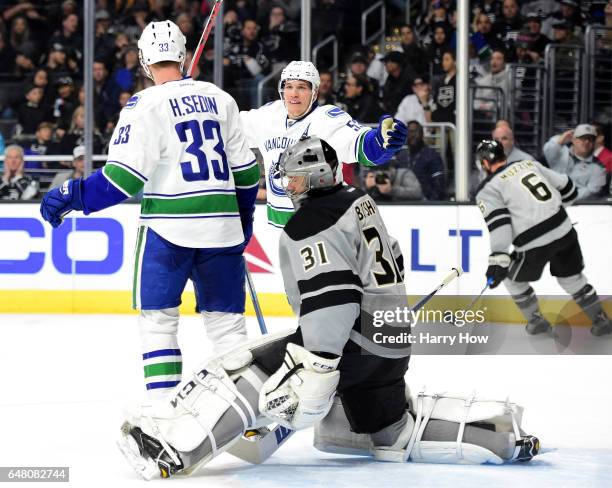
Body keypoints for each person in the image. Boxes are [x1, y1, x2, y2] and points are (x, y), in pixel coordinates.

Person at [117, 136, 540, 479]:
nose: (287, 186)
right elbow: (392, 258)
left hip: (353, 340)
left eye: (295, 180)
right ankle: (498, 436)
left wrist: (317, 365)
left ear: (315, 176)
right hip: (392, 339)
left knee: (247, 370)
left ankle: (173, 449)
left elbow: (332, 297)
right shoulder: (358, 199)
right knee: (393, 434)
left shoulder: (309, 223)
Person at [39, 20, 259, 400]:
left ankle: (164, 410)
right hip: (222, 229)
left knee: (159, 322)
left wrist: (70, 194)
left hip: (167, 231)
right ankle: (246, 410)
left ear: (143, 62)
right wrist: (241, 223)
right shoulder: (221, 99)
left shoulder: (144, 105)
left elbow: (121, 181)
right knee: (227, 327)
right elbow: (248, 172)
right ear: (183, 54)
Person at [239, 60, 408, 227]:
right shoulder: (268, 115)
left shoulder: (327, 120)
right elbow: (229, 127)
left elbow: (362, 147)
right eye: (289, 86)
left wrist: (380, 143)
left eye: (301, 87)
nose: (294, 94)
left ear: (315, 91)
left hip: (323, 227)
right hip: (279, 228)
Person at [475, 139, 612, 336]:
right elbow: (568, 188)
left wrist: (498, 259)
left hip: (533, 242)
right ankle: (600, 319)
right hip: (564, 229)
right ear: (503, 156)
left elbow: (500, 225)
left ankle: (536, 319)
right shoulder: (528, 164)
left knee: (511, 279)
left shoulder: (487, 190)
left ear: (485, 163)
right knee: (571, 278)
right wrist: (550, 212)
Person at [542, 124, 607, 201]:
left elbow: (592, 191)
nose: (586, 142)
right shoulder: (560, 153)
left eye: (590, 139)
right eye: (583, 138)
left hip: (577, 206)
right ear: (574, 140)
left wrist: (566, 197)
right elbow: (547, 150)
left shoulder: (599, 167)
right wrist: (560, 139)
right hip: (551, 202)